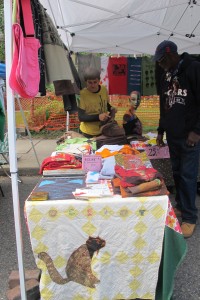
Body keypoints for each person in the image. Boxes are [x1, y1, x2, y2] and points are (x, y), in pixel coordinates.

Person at [154, 40, 200, 238]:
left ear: (171, 55)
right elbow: (164, 105)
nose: (160, 65)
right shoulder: (166, 75)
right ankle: (182, 205)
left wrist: (197, 131)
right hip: (173, 135)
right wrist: (160, 130)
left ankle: (190, 218)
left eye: (162, 61)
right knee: (177, 173)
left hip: (190, 135)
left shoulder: (194, 69)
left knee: (189, 176)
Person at [77, 67, 116, 138]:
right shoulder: (82, 94)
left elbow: (105, 104)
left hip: (103, 130)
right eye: (90, 82)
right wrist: (98, 117)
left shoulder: (104, 89)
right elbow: (81, 117)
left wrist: (111, 108)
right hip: (88, 133)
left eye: (95, 82)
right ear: (85, 81)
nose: (93, 85)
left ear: (99, 80)